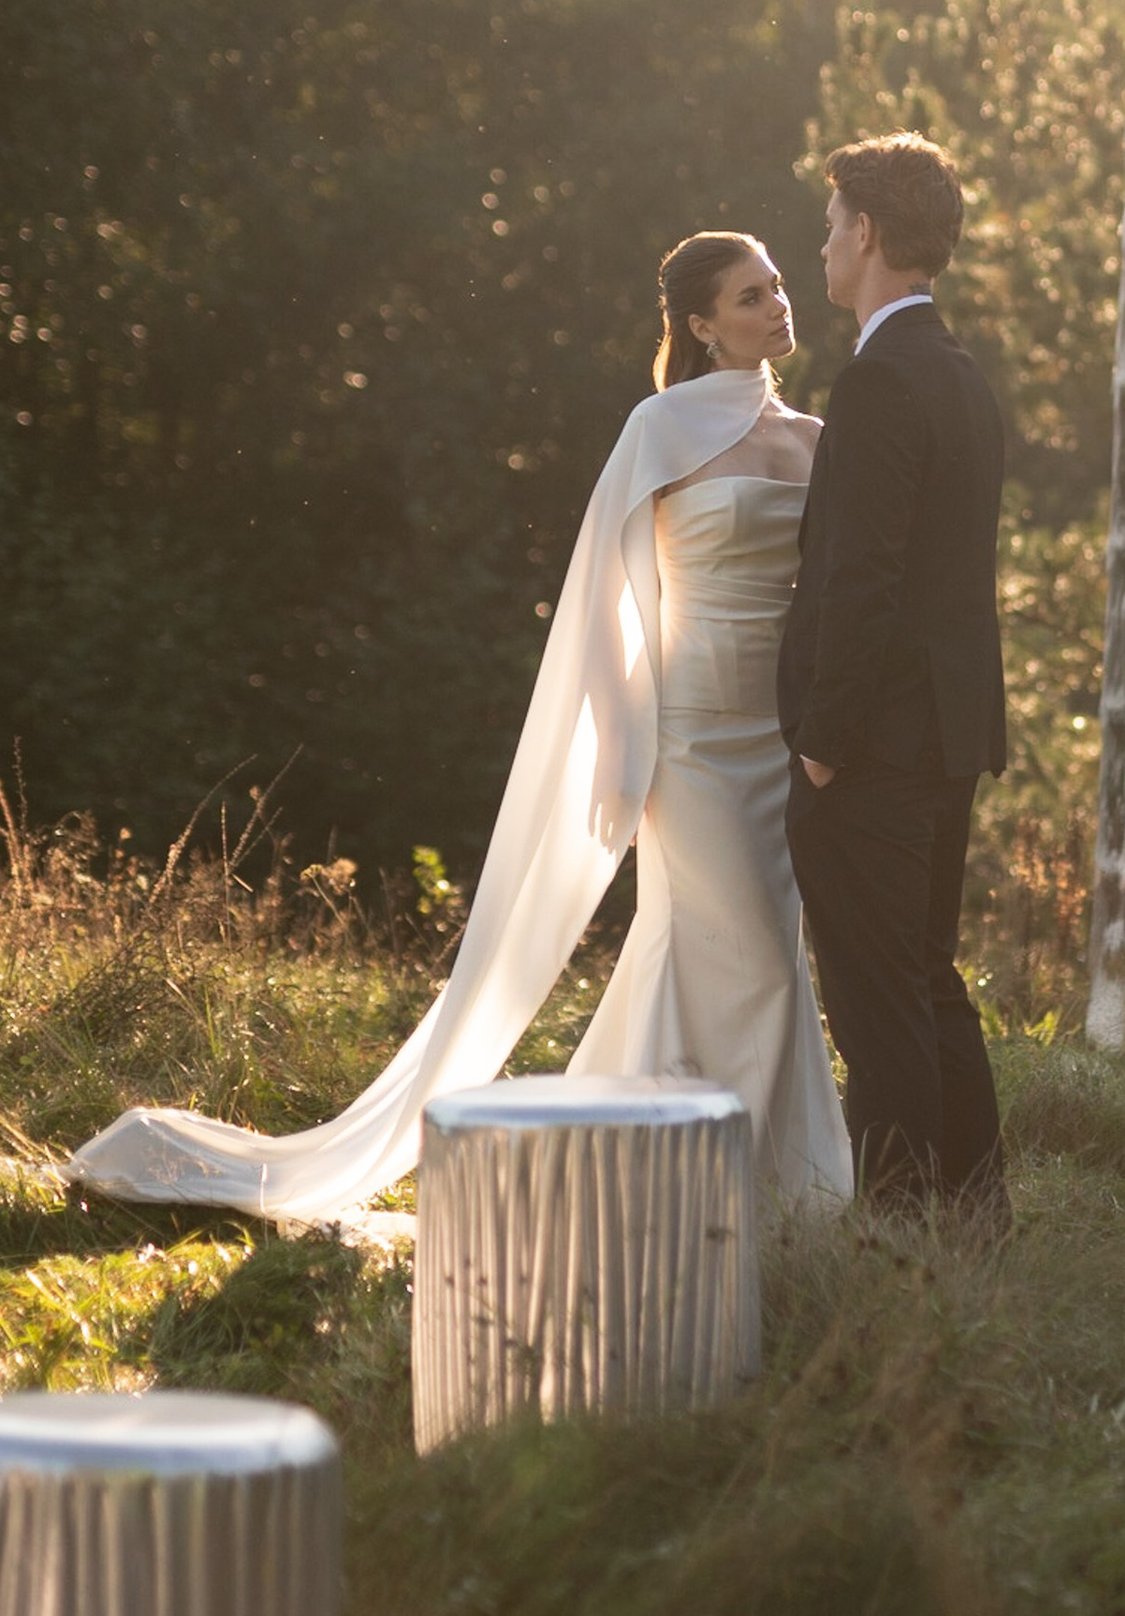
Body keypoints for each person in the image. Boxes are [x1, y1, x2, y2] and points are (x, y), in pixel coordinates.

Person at [68, 232, 851, 1219]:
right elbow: (600, 591)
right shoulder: (659, 428)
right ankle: (754, 1186)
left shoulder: (822, 439)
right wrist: (619, 734)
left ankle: (680, 1172)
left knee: (733, 944)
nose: (777, 305)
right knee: (752, 950)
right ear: (700, 324)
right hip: (690, 732)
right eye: (750, 295)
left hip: (775, 733)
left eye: (778, 286)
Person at [781, 131, 1010, 1222]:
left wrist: (823, 743)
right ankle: (974, 1213)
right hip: (950, 733)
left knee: (877, 1009)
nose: (822, 247)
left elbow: (860, 582)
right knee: (926, 981)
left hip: (872, 745)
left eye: (829, 227)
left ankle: (903, 1227)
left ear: (866, 232)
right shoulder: (962, 376)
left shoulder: (877, 382)